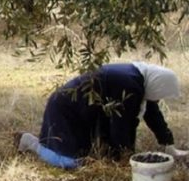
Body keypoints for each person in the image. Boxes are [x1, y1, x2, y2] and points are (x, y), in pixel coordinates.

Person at [15, 61, 188, 169]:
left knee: (87, 156)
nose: (158, 99)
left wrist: (168, 144)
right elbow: (121, 123)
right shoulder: (130, 84)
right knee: (68, 162)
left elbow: (153, 115)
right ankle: (31, 142)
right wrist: (127, 156)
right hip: (66, 109)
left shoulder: (141, 80)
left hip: (82, 112)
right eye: (161, 94)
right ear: (159, 86)